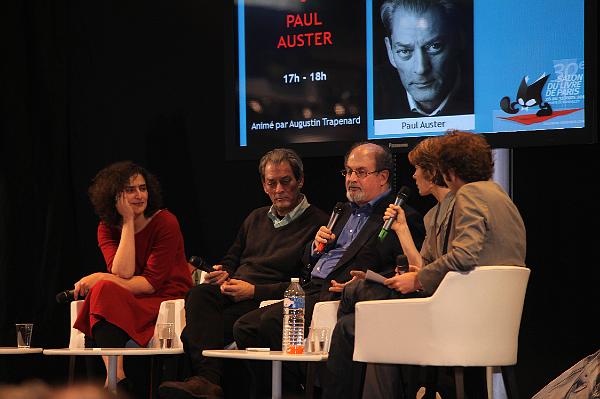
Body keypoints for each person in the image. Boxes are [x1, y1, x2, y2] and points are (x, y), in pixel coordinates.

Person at [323, 131, 527, 398]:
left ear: (447, 170)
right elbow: (432, 264)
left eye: (421, 169)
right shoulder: (497, 195)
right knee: (359, 305)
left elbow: (463, 257)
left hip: (461, 317)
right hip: (485, 317)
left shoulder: (470, 194)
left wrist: (417, 280)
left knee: (351, 322)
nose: (415, 175)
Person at [232, 142, 425, 396]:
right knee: (245, 327)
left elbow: (403, 269)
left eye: (360, 172)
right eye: (348, 172)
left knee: (271, 323)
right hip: (312, 288)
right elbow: (308, 263)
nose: (351, 179)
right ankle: (291, 390)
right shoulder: (341, 212)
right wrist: (315, 247)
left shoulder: (399, 217)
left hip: (340, 295)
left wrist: (363, 281)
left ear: (383, 177)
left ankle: (303, 389)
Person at [158, 148, 329, 399]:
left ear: (300, 180)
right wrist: (222, 272)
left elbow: (306, 284)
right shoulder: (256, 218)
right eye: (272, 183)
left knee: (195, 334)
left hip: (269, 302)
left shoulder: (318, 224)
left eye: (286, 181)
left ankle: (207, 381)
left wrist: (254, 290)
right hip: (235, 292)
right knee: (200, 294)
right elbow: (232, 258)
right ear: (264, 186)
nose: (279, 189)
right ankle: (207, 381)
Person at [72, 161, 193, 391]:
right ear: (114, 196)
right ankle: (117, 376)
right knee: (103, 292)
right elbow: (124, 272)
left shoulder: (165, 222)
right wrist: (127, 221)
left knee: (102, 288)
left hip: (166, 297)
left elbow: (149, 283)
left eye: (142, 188)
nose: (139, 195)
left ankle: (114, 382)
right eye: (130, 190)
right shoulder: (106, 228)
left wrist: (101, 277)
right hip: (131, 297)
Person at [375, 0, 473, 119]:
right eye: (404, 51)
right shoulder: (373, 94)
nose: (421, 69)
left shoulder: (484, 87)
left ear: (459, 40)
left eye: (435, 46)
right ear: (390, 51)